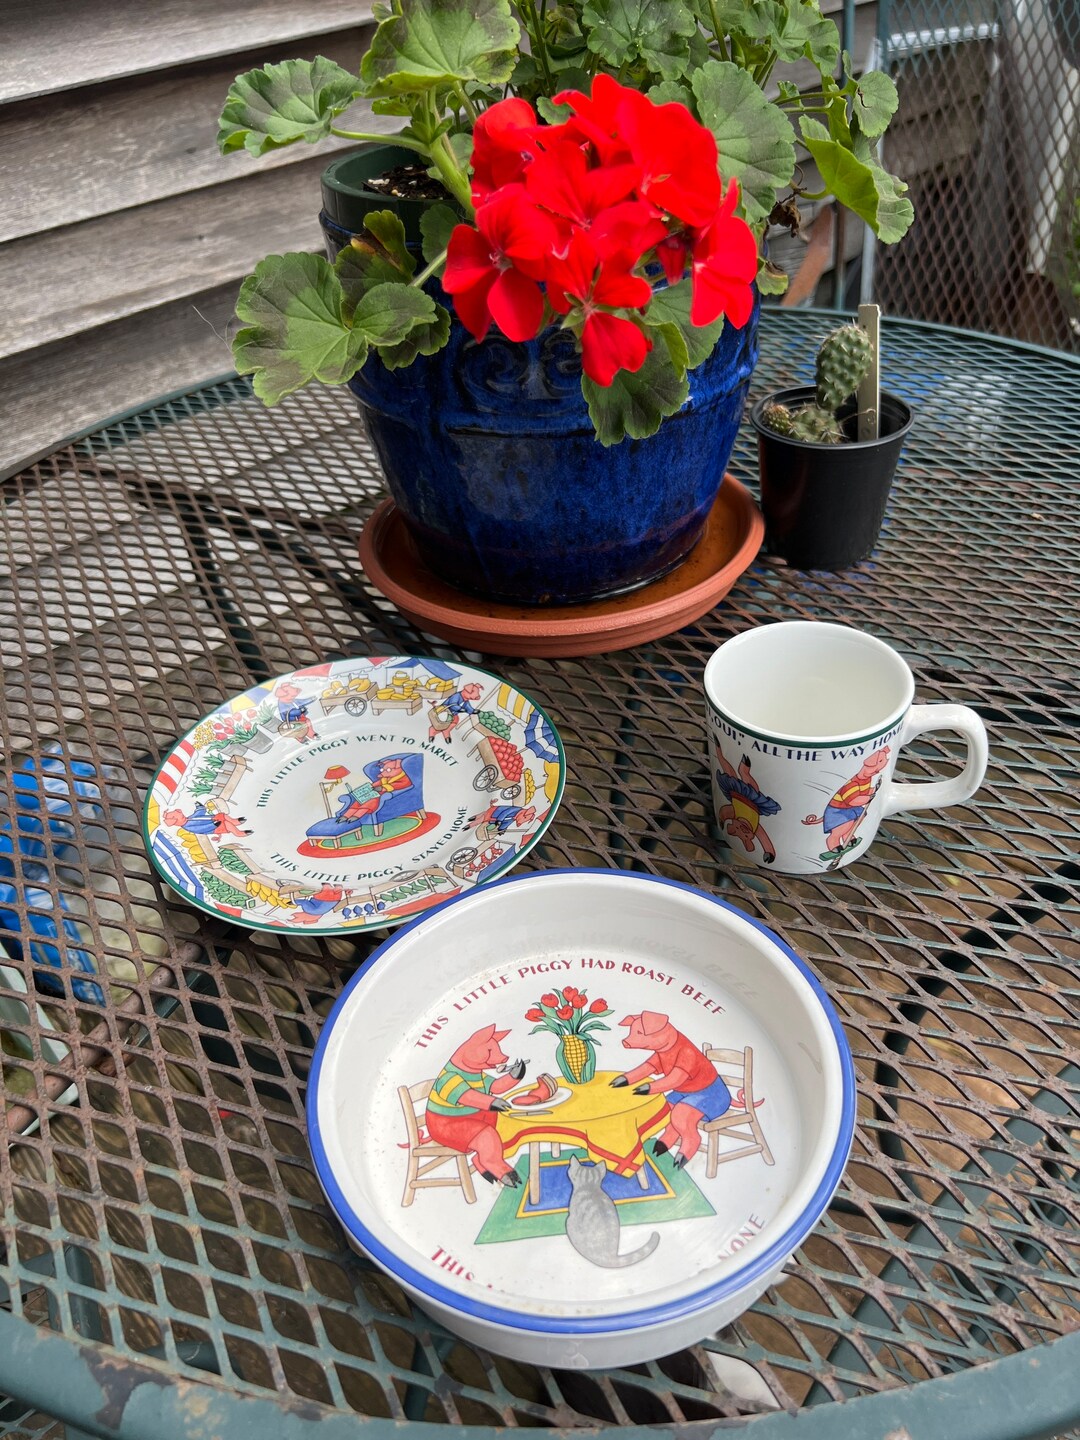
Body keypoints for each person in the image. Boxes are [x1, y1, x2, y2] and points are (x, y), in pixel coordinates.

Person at [163, 803, 251, 839]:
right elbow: (202, 828)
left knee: (224, 816)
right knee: (227, 824)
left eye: (183, 816)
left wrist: (200, 807)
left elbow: (199, 813)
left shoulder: (189, 818)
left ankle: (235, 821)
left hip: (214, 818)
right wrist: (213, 825)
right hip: (214, 827)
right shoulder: (189, 826)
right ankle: (238, 833)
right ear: (176, 823)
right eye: (182, 818)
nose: (184, 817)